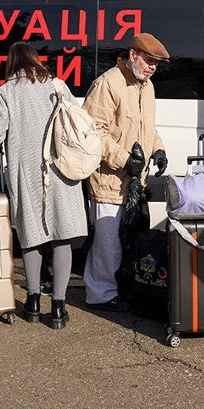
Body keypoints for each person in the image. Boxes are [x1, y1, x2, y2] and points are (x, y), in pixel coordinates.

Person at [0, 42, 88, 330]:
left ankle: (31, 303)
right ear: (35, 60)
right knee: (62, 236)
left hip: (25, 172)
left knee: (31, 235)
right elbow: (77, 122)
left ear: (11, 63)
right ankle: (57, 307)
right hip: (61, 170)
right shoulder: (57, 86)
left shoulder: (6, 92)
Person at [82, 33, 169, 312]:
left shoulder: (147, 86)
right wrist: (123, 160)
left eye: (156, 63)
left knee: (127, 240)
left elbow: (147, 127)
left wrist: (158, 149)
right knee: (108, 242)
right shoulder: (108, 83)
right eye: (148, 60)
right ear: (133, 55)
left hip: (134, 180)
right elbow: (93, 132)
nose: (152, 67)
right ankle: (100, 295)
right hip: (109, 179)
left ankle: (120, 289)